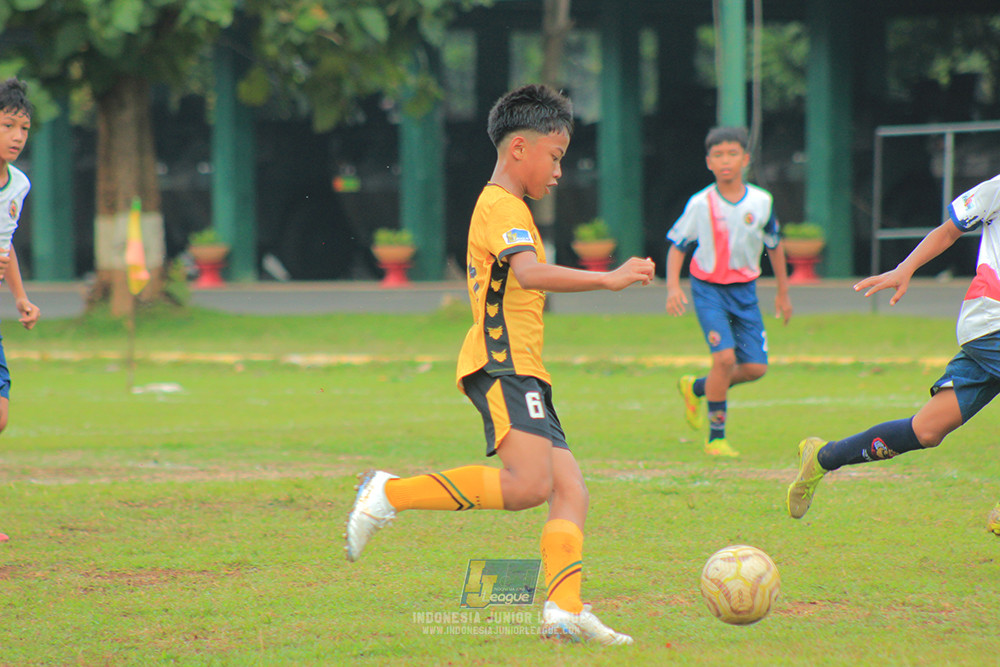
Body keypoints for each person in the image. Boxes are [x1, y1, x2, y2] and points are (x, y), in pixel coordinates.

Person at [344, 84, 654, 645]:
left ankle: (564, 610)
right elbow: (532, 274)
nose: (559, 172)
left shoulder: (507, 207)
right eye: (555, 156)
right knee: (531, 485)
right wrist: (608, 278)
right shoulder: (502, 206)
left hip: (525, 368)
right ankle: (389, 493)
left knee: (571, 491)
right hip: (502, 364)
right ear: (518, 148)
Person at [786, 173, 1000, 530]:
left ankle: (823, 457)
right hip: (992, 318)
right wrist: (905, 268)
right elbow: (949, 230)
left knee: (927, 431)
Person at [665, 127, 792, 457]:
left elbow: (775, 246)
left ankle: (695, 387)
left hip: (745, 292)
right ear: (708, 162)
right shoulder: (700, 203)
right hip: (708, 290)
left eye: (732, 154)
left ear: (745, 159)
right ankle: (716, 438)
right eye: (718, 155)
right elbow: (678, 246)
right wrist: (673, 287)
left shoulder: (761, 202)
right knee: (723, 359)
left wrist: (782, 292)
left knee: (755, 368)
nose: (726, 161)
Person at [0, 79, 42, 542]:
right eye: (7, 125)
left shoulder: (19, 185)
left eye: (23, 127)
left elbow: (5, 245)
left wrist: (20, 298)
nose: (17, 135)